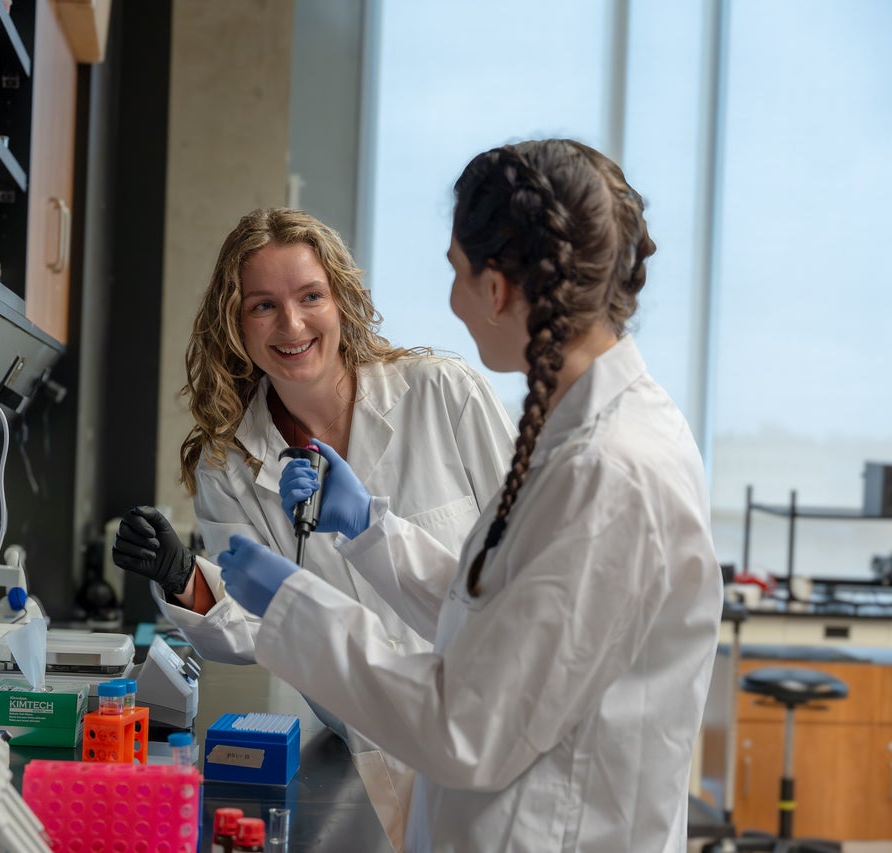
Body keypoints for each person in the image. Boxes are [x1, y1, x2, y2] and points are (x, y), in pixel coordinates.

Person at [215, 140, 723, 851]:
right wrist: (370, 530)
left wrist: (297, 606)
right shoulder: (584, 438)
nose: (451, 298)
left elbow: (465, 724)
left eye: (457, 271)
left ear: (497, 288)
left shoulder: (611, 471)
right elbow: (496, 618)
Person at [111, 207, 516, 848]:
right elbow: (259, 628)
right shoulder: (230, 463)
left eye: (310, 297)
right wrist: (185, 579)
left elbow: (519, 568)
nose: (292, 324)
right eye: (263, 306)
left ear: (341, 301)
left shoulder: (444, 394)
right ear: (235, 323)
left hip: (491, 728)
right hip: (371, 742)